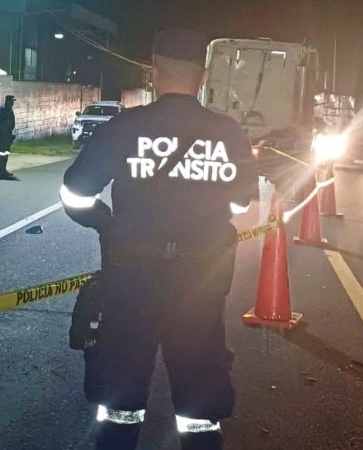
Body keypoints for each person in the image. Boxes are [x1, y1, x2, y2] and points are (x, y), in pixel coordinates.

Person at [59, 29, 258, 450]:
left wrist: (106, 224)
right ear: (203, 76)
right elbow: (242, 205)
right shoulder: (228, 133)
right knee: (200, 401)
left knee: (120, 398)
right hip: (201, 282)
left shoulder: (125, 127)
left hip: (131, 279)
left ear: (153, 72)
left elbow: (74, 193)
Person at [0, 95, 17, 180]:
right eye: (11, 101)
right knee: (0, 153)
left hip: (7, 135)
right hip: (1, 136)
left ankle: (3, 170)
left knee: (6, 153)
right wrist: (1, 118)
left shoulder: (9, 110)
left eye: (13, 102)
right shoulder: (2, 110)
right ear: (7, 101)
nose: (12, 103)